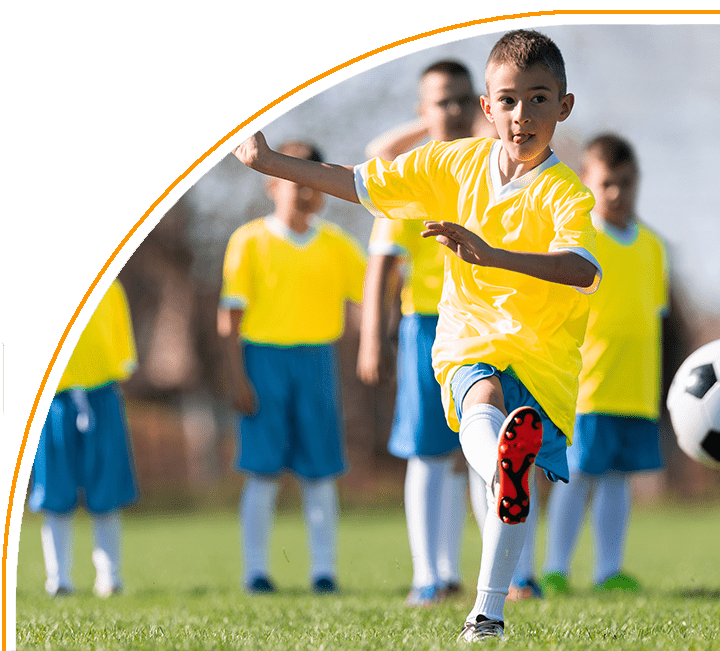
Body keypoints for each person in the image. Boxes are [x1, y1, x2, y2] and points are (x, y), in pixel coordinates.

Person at [231, 29, 601, 642]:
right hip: (469, 340)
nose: (522, 115)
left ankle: (489, 610)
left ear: (563, 106)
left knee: (505, 465)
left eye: (539, 99)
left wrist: (491, 255)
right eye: (507, 100)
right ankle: (495, 511)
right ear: (487, 108)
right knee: (484, 412)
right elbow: (359, 182)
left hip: (544, 354)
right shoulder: (452, 164)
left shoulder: (567, 193)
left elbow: (582, 269)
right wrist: (269, 163)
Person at [357, 60, 481, 607]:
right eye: (439, 101)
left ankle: (503, 574)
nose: (452, 111)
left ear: (479, 103)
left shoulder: (495, 167)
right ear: (422, 110)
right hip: (427, 325)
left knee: (483, 448)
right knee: (429, 451)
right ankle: (428, 575)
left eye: (461, 99)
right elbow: (383, 262)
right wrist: (370, 336)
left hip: (487, 326)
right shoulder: (409, 173)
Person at [218, 141, 366, 595]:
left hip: (318, 363)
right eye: (292, 182)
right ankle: (255, 573)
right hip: (264, 363)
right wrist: (236, 375)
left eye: (310, 183)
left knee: (319, 472)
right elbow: (230, 317)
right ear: (271, 185)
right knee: (262, 472)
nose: (303, 194)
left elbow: (368, 300)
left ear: (322, 190)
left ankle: (324, 572)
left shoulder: (338, 245)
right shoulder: (248, 241)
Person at [541, 134, 668, 594]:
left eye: (626, 183)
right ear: (588, 183)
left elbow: (652, 317)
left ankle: (607, 571)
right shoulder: (580, 240)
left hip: (635, 388)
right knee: (577, 477)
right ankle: (555, 567)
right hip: (588, 386)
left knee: (618, 479)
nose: (617, 193)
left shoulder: (654, 247)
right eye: (607, 183)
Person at [28, 278, 139, 597]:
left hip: (103, 397)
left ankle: (110, 577)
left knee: (106, 492)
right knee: (55, 493)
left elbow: (123, 356)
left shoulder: (112, 288)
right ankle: (59, 579)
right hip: (53, 400)